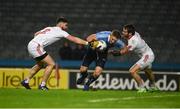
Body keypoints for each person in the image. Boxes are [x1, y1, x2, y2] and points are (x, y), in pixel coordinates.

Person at [21, 17, 92, 90]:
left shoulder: (49, 28)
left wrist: (36, 42)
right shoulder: (61, 32)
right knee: (51, 64)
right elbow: (74, 39)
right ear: (61, 23)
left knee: (40, 64)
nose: (66, 27)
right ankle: (42, 85)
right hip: (36, 46)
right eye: (66, 25)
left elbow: (36, 34)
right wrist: (87, 43)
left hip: (31, 44)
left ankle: (26, 81)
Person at [110, 24, 158, 93]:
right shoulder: (134, 33)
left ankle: (142, 88)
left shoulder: (134, 41)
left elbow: (124, 51)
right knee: (148, 71)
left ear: (130, 34)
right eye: (123, 31)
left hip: (147, 56)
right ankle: (154, 87)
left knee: (132, 71)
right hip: (148, 53)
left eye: (124, 32)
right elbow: (125, 37)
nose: (123, 32)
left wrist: (113, 52)